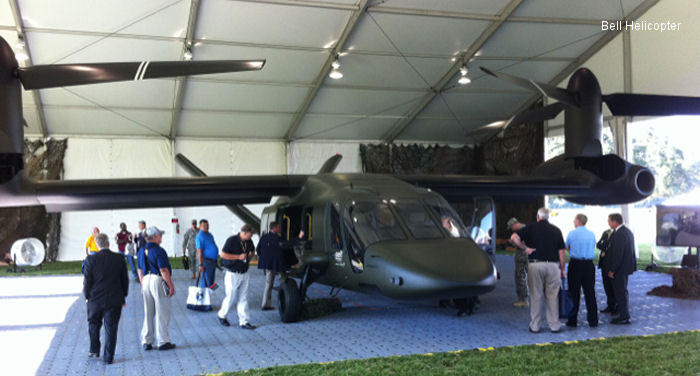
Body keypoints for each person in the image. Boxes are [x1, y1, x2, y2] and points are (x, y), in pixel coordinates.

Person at [510, 208, 566, 333]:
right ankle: (554, 325)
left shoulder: (530, 227)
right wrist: (563, 269)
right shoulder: (556, 230)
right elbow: (561, 252)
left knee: (536, 296)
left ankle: (535, 326)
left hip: (535, 265)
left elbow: (514, 237)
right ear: (548, 217)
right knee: (553, 296)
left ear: (538, 217)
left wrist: (525, 248)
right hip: (553, 266)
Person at [82, 233, 128, 364]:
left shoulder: (90, 260)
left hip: (95, 300)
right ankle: (108, 357)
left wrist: (86, 296)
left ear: (96, 245)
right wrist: (123, 297)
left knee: (93, 324)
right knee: (111, 328)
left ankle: (94, 349)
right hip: (114, 299)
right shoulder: (119, 259)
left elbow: (87, 281)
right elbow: (124, 280)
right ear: (108, 243)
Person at [137, 226, 176, 351]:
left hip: (146, 279)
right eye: (160, 235)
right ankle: (163, 341)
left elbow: (139, 269)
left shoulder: (141, 250)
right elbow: (163, 270)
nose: (161, 237)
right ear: (155, 237)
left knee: (148, 312)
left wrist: (142, 283)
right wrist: (170, 285)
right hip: (157, 280)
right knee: (162, 311)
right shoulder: (159, 251)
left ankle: (146, 340)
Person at [257, 221, 304, 310]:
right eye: (278, 227)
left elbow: (258, 250)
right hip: (277, 264)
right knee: (283, 279)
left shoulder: (264, 237)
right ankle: (284, 300)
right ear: (274, 228)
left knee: (268, 284)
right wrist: (299, 237)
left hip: (268, 265)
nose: (279, 229)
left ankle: (265, 304)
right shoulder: (277, 238)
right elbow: (289, 243)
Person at [217, 224, 256, 329]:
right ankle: (222, 315)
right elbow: (223, 255)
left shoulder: (249, 241)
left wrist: (248, 258)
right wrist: (238, 257)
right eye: (250, 235)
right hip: (232, 273)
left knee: (243, 297)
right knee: (231, 297)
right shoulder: (231, 240)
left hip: (244, 272)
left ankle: (244, 321)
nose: (251, 237)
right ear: (243, 233)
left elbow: (253, 251)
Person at [564, 214, 598, 328]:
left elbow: (566, 246)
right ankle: (593, 321)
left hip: (575, 264)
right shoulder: (592, 234)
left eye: (574, 219)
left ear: (578, 221)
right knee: (590, 293)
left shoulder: (572, 233)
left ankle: (572, 320)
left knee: (574, 292)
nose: (573, 221)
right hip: (589, 265)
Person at [602, 213, 636, 325]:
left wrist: (612, 269)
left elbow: (618, 254)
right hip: (625, 268)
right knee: (622, 291)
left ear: (615, 222)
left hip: (620, 269)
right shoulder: (627, 231)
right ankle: (623, 314)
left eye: (609, 221)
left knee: (620, 293)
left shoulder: (619, 234)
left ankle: (624, 316)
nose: (608, 223)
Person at [507, 217, 529, 308]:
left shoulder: (521, 231)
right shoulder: (527, 228)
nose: (511, 229)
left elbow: (522, 244)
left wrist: (512, 242)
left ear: (514, 224)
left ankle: (523, 300)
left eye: (511, 227)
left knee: (520, 277)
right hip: (526, 257)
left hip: (522, 257)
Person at [196, 219, 219, 289]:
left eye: (207, 225)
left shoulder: (209, 235)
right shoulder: (200, 237)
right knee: (207, 281)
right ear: (200, 226)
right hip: (206, 261)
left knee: (210, 280)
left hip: (213, 261)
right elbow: (199, 251)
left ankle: (207, 296)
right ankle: (203, 296)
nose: (206, 227)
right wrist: (200, 264)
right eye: (204, 226)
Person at [597, 228, 615, 314]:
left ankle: (616, 306)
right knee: (606, 285)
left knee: (614, 286)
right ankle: (610, 305)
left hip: (612, 262)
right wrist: (606, 246)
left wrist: (606, 246)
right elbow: (598, 244)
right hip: (604, 262)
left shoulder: (617, 233)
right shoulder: (606, 232)